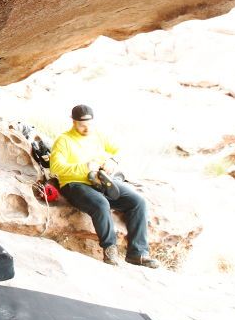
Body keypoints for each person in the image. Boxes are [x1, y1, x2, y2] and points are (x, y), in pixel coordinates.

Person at [50, 104, 160, 268]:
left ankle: (137, 253)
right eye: (82, 125)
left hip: (101, 180)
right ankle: (110, 250)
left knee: (138, 202)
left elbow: (122, 149)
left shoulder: (98, 136)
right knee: (101, 204)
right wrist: (84, 167)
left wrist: (112, 161)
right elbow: (55, 167)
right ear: (73, 122)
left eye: (90, 125)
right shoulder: (63, 140)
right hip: (74, 183)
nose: (87, 129)